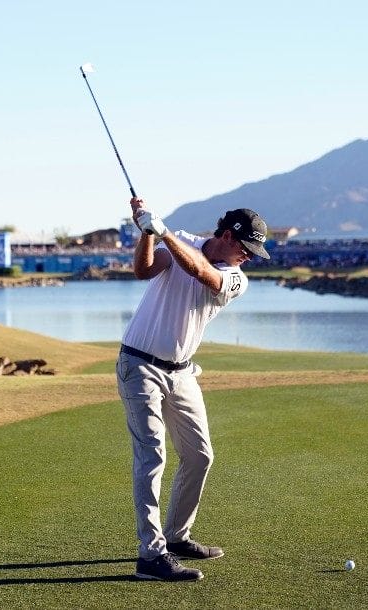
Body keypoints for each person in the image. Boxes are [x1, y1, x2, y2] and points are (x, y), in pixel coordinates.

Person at [118, 196, 270, 582]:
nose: (249, 256)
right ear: (225, 235)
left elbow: (204, 273)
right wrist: (147, 234)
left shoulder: (236, 278)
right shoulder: (181, 240)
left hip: (182, 373)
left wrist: (163, 230)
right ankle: (150, 555)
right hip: (139, 364)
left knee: (200, 455)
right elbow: (144, 270)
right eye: (245, 247)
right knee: (152, 457)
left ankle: (177, 536)